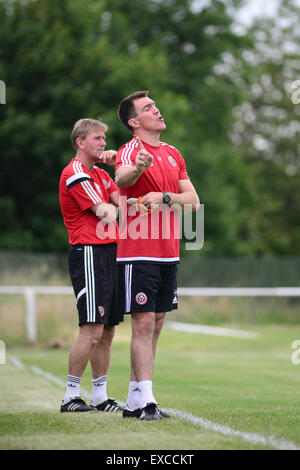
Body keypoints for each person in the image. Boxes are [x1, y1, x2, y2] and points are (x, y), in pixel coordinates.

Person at [115, 91, 200, 420]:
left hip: (168, 251)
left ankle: (135, 398)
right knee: (143, 322)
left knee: (158, 322)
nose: (157, 110)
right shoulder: (130, 151)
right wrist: (137, 169)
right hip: (138, 251)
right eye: (148, 108)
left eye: (155, 106)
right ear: (135, 123)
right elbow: (121, 177)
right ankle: (147, 400)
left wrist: (163, 196)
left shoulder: (172, 153)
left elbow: (192, 200)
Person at [59, 118, 123, 412]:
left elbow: (123, 201)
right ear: (80, 142)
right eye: (97, 138)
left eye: (103, 139)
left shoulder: (100, 174)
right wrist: (116, 205)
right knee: (92, 329)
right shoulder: (75, 174)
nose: (103, 143)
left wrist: (122, 167)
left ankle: (99, 396)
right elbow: (106, 211)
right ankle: (70, 396)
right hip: (89, 252)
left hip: (111, 252)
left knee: (108, 330)